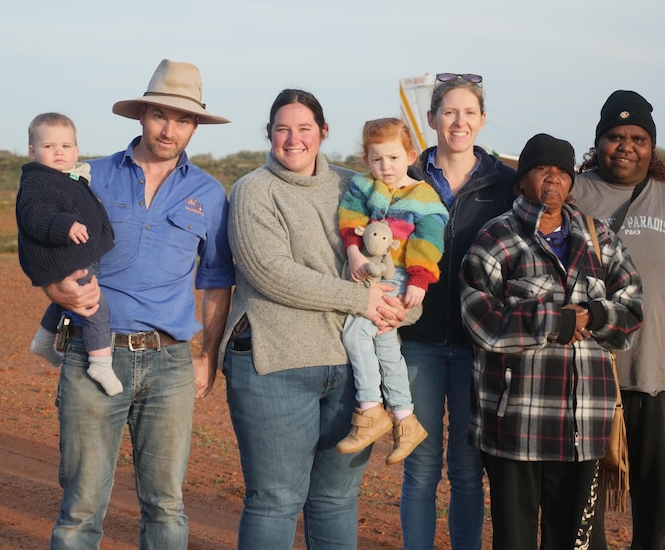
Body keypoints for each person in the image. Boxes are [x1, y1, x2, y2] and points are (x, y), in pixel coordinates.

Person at [40, 59, 235, 549]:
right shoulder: (90, 176)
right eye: (161, 115)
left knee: (166, 506)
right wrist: (52, 289)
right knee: (81, 506)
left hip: (170, 363)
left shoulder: (208, 194)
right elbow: (41, 238)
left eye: (183, 119)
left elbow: (215, 280)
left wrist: (207, 356)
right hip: (92, 353)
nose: (170, 129)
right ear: (142, 115)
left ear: (195, 125)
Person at [218, 89, 408, 550]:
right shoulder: (253, 191)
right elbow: (271, 273)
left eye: (305, 128)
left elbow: (400, 251)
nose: (293, 139)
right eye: (282, 128)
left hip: (349, 370)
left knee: (337, 499)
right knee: (275, 500)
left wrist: (402, 306)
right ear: (269, 134)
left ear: (323, 133)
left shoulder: (356, 188)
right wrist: (361, 302)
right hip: (275, 364)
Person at [460, 133, 644, 550]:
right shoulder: (496, 239)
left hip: (582, 424)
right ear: (522, 179)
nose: (553, 179)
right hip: (515, 423)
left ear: (572, 183)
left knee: (570, 540)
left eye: (563, 171)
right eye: (542, 169)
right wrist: (552, 321)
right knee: (514, 538)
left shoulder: (600, 240)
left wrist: (595, 314)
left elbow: (632, 312)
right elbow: (480, 320)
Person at [572, 90, 665, 550]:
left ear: (652, 146)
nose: (626, 145)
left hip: (660, 364)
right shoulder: (575, 193)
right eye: (614, 136)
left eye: (637, 137)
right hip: (589, 369)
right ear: (598, 142)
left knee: (653, 495)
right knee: (584, 496)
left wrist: (650, 308)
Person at [399, 73, 518, 550]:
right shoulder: (405, 178)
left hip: (479, 347)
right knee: (421, 465)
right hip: (417, 344)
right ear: (431, 119)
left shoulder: (506, 184)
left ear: (483, 120)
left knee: (468, 470)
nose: (459, 121)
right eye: (449, 112)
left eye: (469, 112)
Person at [335, 118, 449, 465]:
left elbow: (428, 241)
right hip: (367, 270)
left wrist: (418, 280)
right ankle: (405, 417)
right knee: (385, 345)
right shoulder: (362, 186)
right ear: (367, 160)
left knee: (356, 334)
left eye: (394, 158)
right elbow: (349, 219)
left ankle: (370, 409)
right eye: (377, 159)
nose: (386, 166)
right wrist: (354, 252)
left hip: (399, 276)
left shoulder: (424, 198)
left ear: (410, 155)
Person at [17, 112, 121, 396]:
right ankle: (100, 361)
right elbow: (34, 215)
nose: (58, 152)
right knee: (94, 303)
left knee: (69, 298)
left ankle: (43, 339)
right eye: (49, 146)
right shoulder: (39, 182)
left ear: (76, 149)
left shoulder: (66, 177)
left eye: (66, 146)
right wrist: (65, 225)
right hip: (62, 255)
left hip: (71, 254)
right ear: (32, 151)